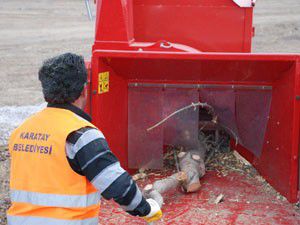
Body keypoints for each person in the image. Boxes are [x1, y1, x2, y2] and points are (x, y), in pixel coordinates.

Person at [7, 53, 162, 225]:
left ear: (46, 93)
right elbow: (117, 184)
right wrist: (146, 209)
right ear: (84, 90)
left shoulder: (21, 131)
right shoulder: (80, 134)